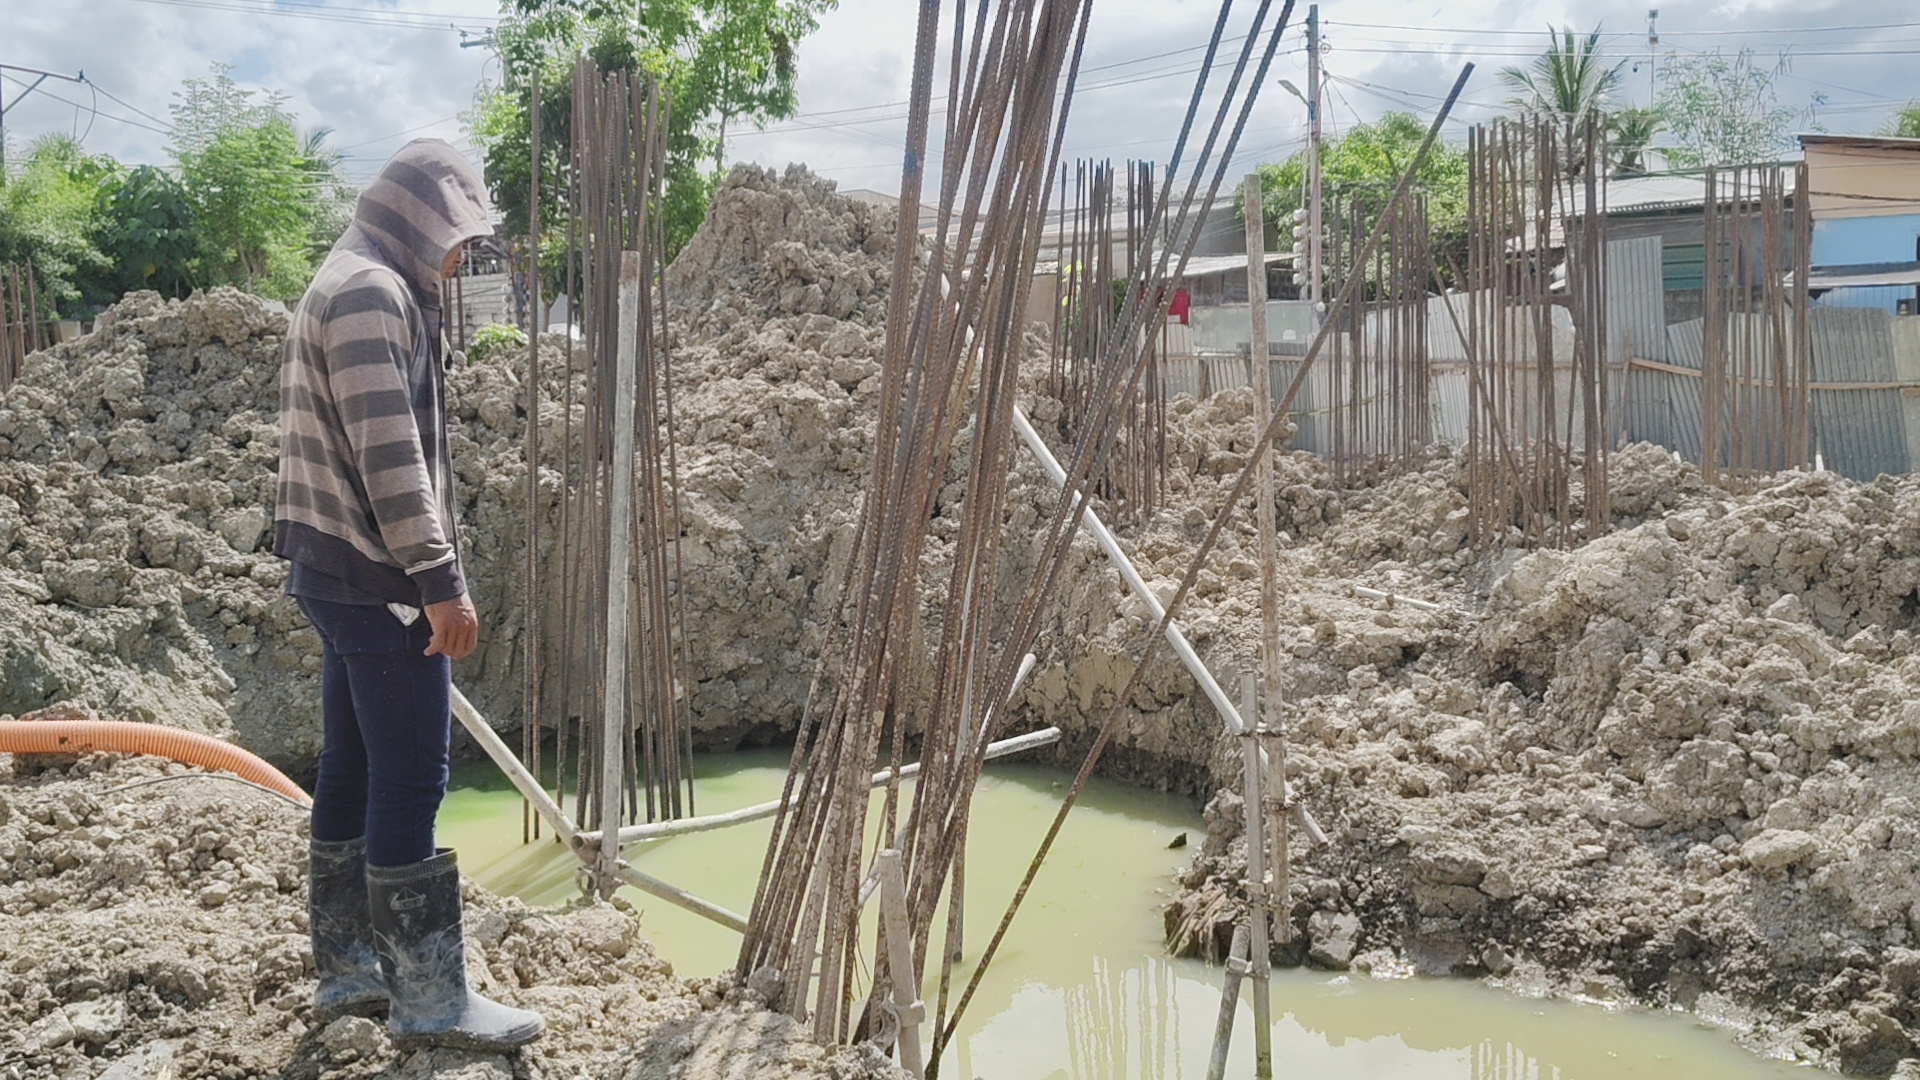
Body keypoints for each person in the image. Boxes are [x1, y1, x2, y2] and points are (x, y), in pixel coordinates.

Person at [273, 138, 543, 1052]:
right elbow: (392, 463)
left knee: (350, 766)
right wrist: (441, 584)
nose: (460, 258)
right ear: (417, 220)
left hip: (336, 571)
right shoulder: (369, 295)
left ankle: (348, 969)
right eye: (455, 237)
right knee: (413, 774)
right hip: (379, 575)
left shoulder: (355, 275)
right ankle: (431, 1002)